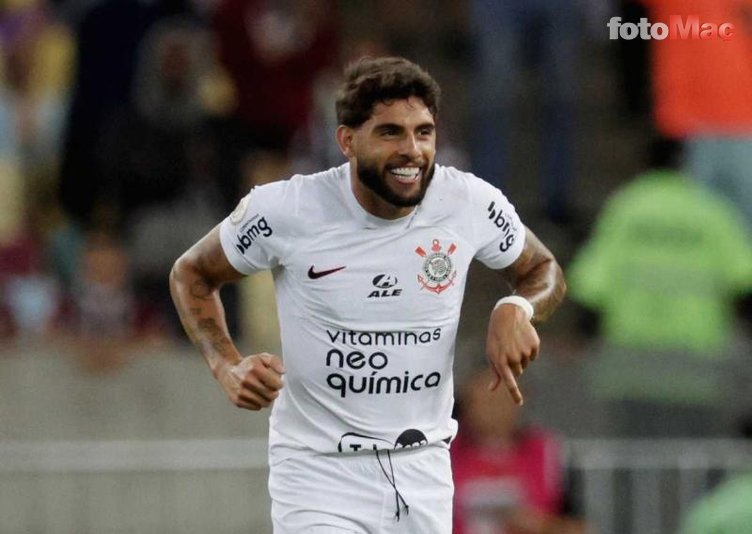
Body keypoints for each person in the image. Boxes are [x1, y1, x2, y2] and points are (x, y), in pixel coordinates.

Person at [169, 56, 566, 533]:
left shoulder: (468, 203)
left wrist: (517, 307)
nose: (412, 150)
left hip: (422, 468)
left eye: (423, 132)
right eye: (390, 133)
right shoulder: (286, 209)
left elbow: (543, 270)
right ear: (347, 141)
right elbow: (191, 273)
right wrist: (226, 364)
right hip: (318, 471)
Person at [568, 138, 752, 437]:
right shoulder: (710, 209)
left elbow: (589, 285)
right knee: (693, 458)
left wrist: (586, 336)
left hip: (631, 364)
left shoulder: (626, 207)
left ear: (645, 163)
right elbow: (744, 280)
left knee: (635, 457)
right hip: (697, 365)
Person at [452, 368, 587, 534]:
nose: (494, 411)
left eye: (502, 401)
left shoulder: (548, 453)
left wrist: (538, 525)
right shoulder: (446, 454)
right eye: (485, 401)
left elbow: (580, 528)